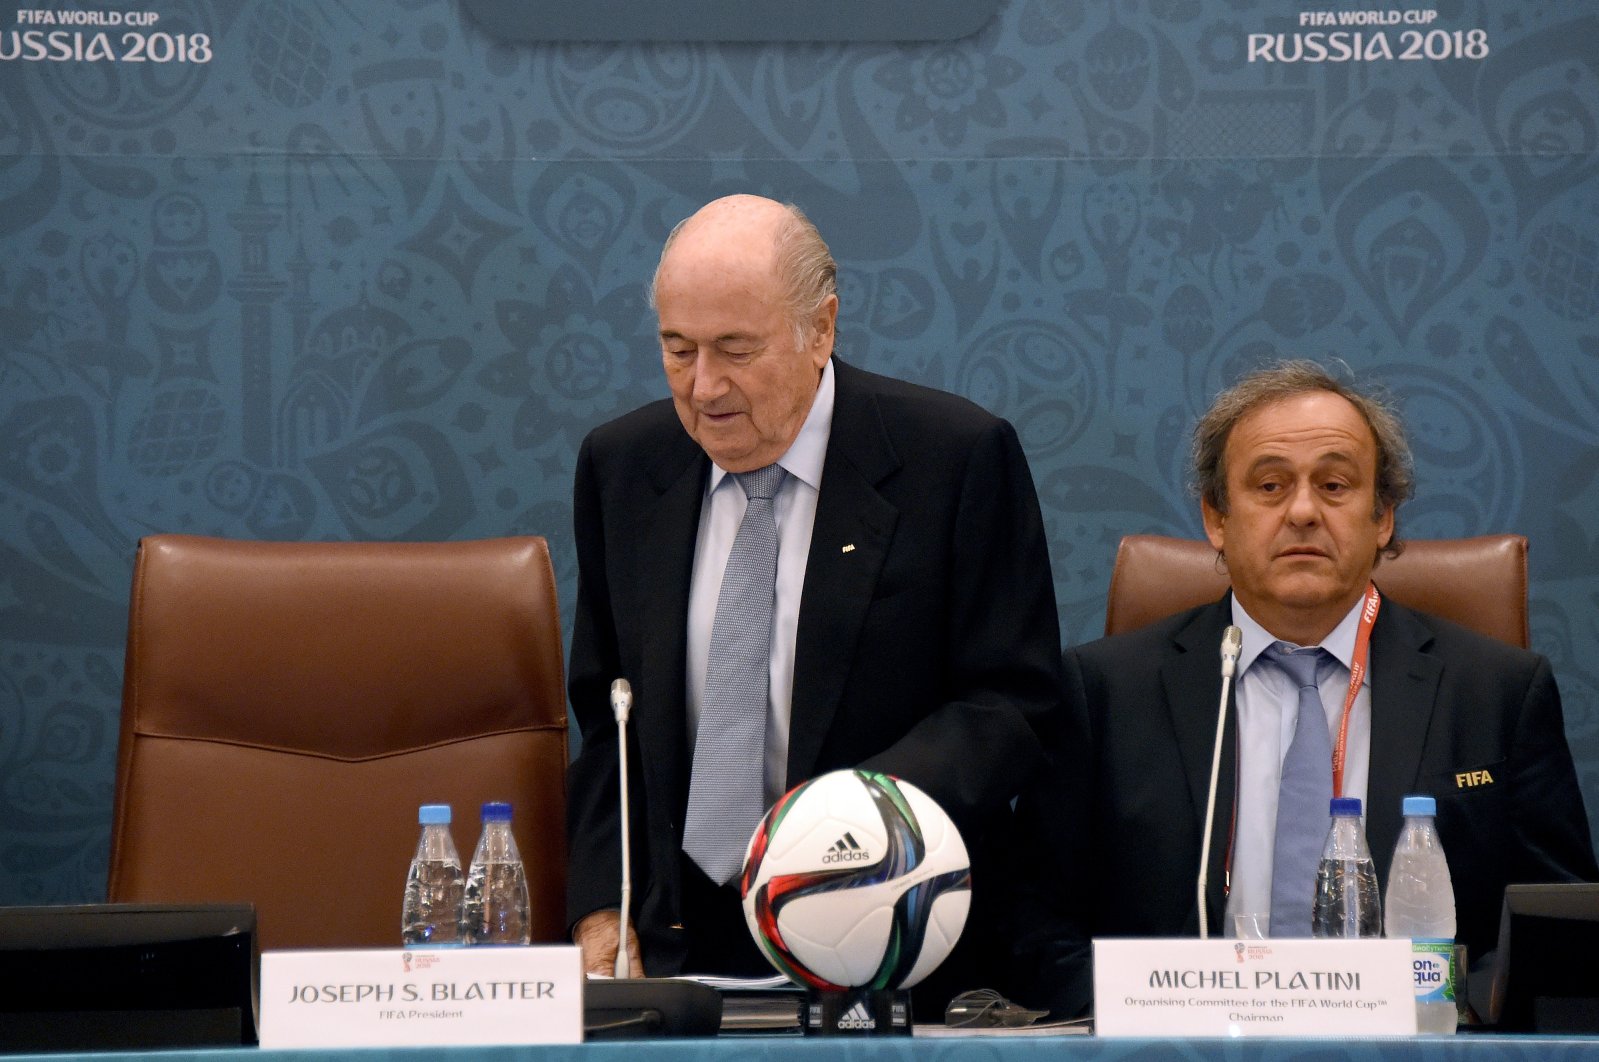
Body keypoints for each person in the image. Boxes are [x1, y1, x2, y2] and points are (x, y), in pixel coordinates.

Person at [564, 194, 1062, 1004]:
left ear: (820, 328)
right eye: (677, 348)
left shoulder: (952, 458)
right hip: (675, 952)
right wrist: (600, 908)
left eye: (735, 348)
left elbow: (1012, 702)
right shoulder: (624, 467)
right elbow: (606, 718)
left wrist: (845, 827)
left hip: (887, 936)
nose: (704, 386)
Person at [1009, 359, 1597, 1019]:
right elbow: (1032, 926)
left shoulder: (1495, 692)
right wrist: (1146, 1017)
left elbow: (1553, 926)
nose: (1301, 512)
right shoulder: (1104, 691)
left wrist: (1458, 1011)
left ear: (1382, 518)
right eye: (1268, 485)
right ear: (1215, 519)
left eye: (1335, 485)